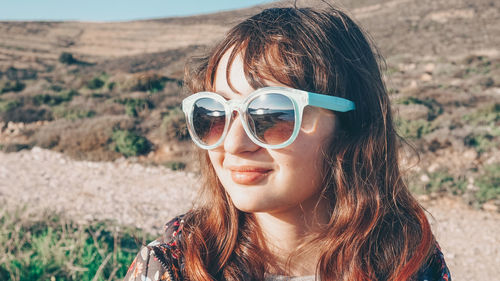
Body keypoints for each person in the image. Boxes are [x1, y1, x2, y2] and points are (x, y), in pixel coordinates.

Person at [124, 6, 451, 281]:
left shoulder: (411, 264)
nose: (234, 144)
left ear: (352, 126)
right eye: (213, 114)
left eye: (271, 114)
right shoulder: (172, 267)